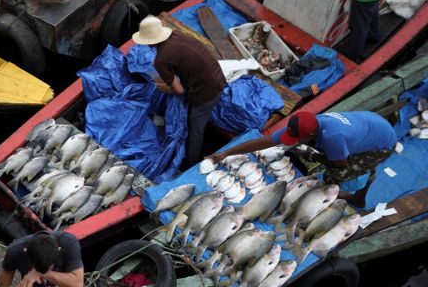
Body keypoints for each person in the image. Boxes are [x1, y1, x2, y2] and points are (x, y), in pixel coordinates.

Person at [207, 110, 397, 208]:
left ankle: (356, 198)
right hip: (368, 123)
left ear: (312, 133)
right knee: (335, 154)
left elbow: (341, 163)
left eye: (298, 139)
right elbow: (262, 142)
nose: (294, 141)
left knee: (333, 176)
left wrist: (314, 155)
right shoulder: (303, 124)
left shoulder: (332, 137)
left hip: (383, 142)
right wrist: (226, 153)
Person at [132, 15, 226, 169]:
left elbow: (179, 90)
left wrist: (164, 88)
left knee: (195, 128)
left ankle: (191, 163)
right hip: (218, 75)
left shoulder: (161, 60)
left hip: (207, 92)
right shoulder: (178, 34)